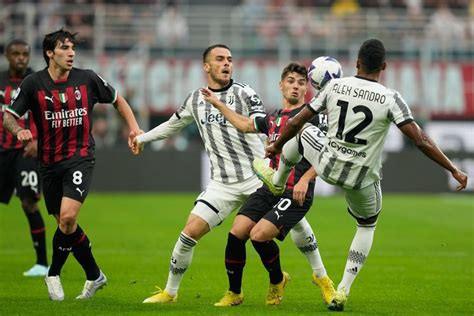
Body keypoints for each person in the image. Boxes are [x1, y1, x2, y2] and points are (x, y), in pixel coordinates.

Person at [256, 39, 468, 311]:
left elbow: (297, 120)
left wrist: (275, 144)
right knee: (366, 225)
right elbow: (421, 140)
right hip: (361, 179)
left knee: (305, 133)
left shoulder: (334, 86)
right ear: (384, 66)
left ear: (356, 63)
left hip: (328, 166)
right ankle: (342, 290)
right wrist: (452, 168)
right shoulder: (391, 98)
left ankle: (276, 179)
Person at [133, 44, 325, 305]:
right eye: (220, 59)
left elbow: (258, 124)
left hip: (259, 177)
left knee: (296, 222)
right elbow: (172, 125)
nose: (226, 64)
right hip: (222, 184)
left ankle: (321, 277)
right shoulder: (195, 99)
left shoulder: (244, 93)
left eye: (230, 60)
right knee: (190, 232)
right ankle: (171, 292)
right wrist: (143, 138)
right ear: (206, 66)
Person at [3, 28, 142, 301]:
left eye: (72, 49)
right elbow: (9, 115)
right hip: (48, 163)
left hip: (79, 157)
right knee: (66, 226)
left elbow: (118, 100)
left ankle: (52, 272)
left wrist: (135, 128)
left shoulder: (87, 78)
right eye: (64, 48)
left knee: (67, 217)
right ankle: (94, 275)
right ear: (49, 53)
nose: (71, 53)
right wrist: (17, 130)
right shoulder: (33, 83)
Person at [201, 62, 335, 306]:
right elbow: (244, 124)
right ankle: (235, 293)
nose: (296, 86)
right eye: (291, 81)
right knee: (236, 233)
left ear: (307, 89)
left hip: (296, 192)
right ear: (281, 85)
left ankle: (277, 281)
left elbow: (328, 155)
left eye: (301, 83)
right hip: (270, 188)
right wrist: (218, 104)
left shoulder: (312, 117)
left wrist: (306, 178)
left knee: (259, 236)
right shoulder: (273, 118)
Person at [0, 39, 48, 277]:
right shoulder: (0, 81)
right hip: (1, 150)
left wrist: (39, 142)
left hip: (26, 150)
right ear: (7, 56)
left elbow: (48, 115)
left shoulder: (38, 81)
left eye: (24, 54)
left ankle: (42, 263)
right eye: (15, 54)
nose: (20, 58)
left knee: (29, 203)